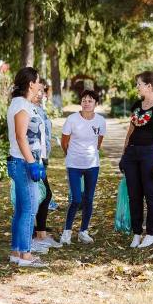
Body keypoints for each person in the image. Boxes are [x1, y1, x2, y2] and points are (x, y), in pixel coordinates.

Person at [119, 71, 153, 249]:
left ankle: (152, 234)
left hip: (151, 154)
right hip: (133, 154)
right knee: (134, 196)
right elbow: (130, 130)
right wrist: (124, 154)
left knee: (151, 194)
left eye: (139, 84)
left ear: (149, 86)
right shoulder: (137, 105)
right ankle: (137, 233)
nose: (137, 87)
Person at [6, 67, 48, 267]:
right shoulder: (21, 105)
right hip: (23, 163)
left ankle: (16, 251)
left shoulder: (23, 103)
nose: (40, 85)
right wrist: (32, 163)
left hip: (24, 161)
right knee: (29, 209)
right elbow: (21, 137)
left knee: (23, 209)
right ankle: (25, 255)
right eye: (38, 81)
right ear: (31, 84)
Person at [60, 89, 106, 245]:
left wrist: (90, 154)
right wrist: (71, 155)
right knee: (76, 199)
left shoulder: (100, 121)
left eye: (90, 101)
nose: (87, 103)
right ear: (80, 102)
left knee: (89, 199)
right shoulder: (72, 119)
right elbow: (64, 142)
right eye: (84, 100)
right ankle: (67, 232)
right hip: (74, 164)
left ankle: (83, 231)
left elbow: (99, 141)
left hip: (92, 165)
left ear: (96, 104)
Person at [31, 78, 61, 252]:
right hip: (33, 160)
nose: (41, 94)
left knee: (43, 195)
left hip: (42, 158)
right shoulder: (28, 109)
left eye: (43, 91)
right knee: (43, 195)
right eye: (39, 90)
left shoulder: (40, 109)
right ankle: (36, 235)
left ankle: (40, 233)